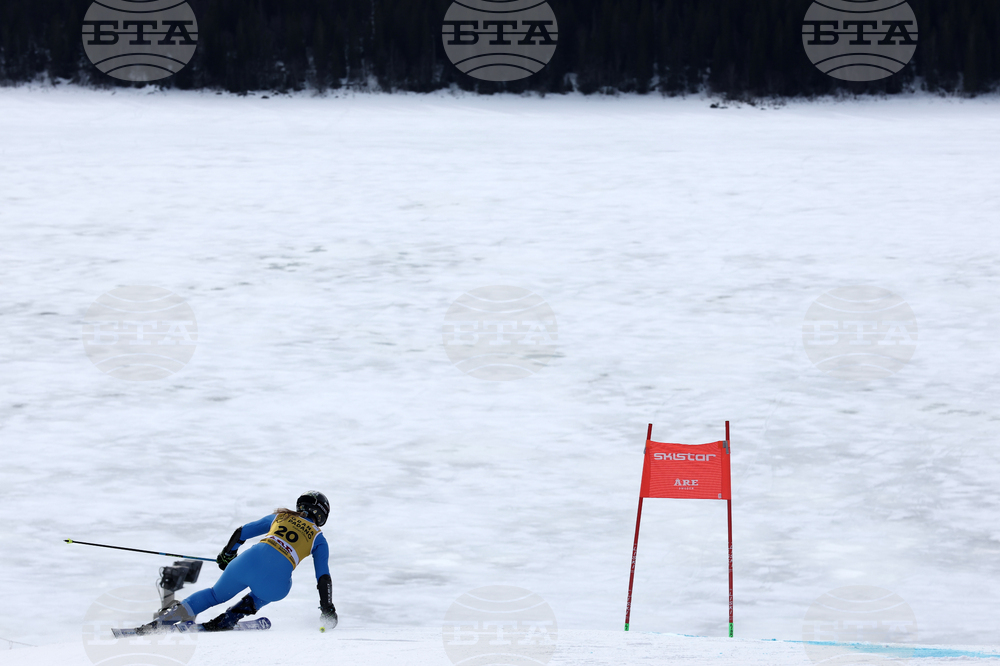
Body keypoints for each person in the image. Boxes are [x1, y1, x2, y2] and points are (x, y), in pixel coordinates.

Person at [139, 491, 337, 633]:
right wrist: (327, 609)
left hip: (246, 562)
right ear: (321, 515)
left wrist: (227, 555)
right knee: (281, 586)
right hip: (274, 584)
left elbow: (241, 532)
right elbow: (323, 578)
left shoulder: (282, 516)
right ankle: (231, 617)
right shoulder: (319, 539)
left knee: (214, 595)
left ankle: (167, 619)